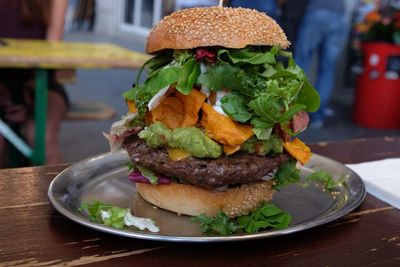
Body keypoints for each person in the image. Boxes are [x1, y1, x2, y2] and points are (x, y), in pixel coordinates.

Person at [0, 0, 68, 166]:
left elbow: (53, 51)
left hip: (40, 81)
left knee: (43, 138)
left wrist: (33, 92)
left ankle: (51, 190)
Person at [294, 0, 348, 128]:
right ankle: (318, 117)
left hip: (317, 12)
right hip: (339, 15)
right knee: (327, 69)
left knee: (301, 63)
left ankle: (293, 112)